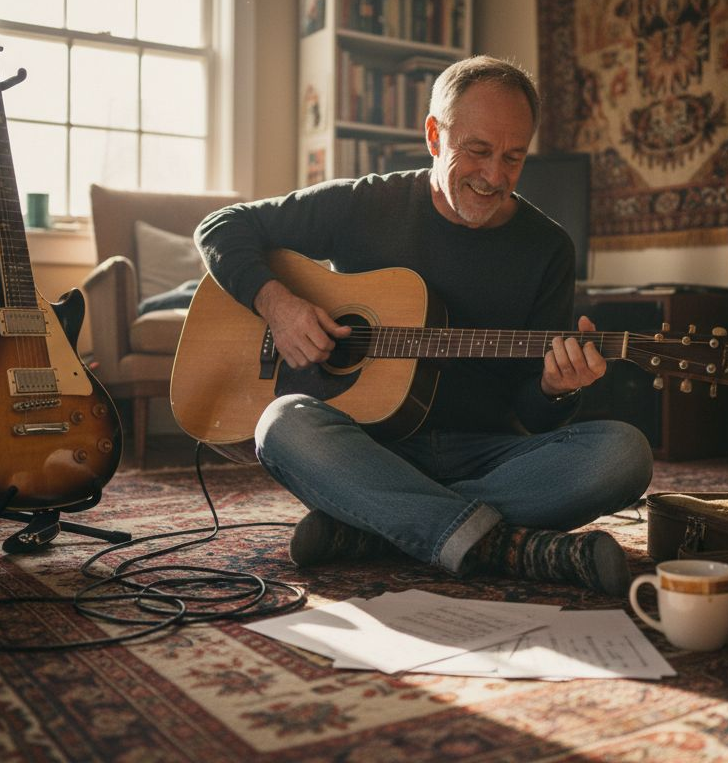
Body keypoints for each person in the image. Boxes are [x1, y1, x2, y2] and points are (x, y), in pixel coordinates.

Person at [194, 55, 652, 597]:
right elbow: (220, 225)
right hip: (368, 446)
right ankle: (505, 544)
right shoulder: (367, 202)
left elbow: (534, 414)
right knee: (281, 425)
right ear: (434, 135)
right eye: (478, 151)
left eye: (513, 157)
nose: (494, 176)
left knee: (625, 453)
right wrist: (279, 305)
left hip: (487, 452)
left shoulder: (548, 248)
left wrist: (555, 389)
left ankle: (373, 526)